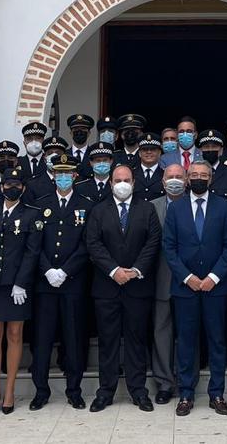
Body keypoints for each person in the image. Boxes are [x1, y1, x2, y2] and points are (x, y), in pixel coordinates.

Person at [85, 164, 162, 413]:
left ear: (134, 182)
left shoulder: (147, 209)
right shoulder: (98, 211)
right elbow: (93, 243)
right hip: (106, 287)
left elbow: (153, 242)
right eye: (117, 180)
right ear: (110, 183)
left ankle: (138, 391)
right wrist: (114, 271)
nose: (122, 184)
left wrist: (136, 270)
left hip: (138, 287)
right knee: (107, 342)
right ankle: (105, 392)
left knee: (136, 341)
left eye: (126, 179)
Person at [163, 159, 227, 416]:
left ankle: (217, 393)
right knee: (186, 342)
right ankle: (185, 394)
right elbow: (169, 249)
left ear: (211, 178)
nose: (198, 178)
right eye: (193, 174)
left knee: (217, 341)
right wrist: (188, 277)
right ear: (186, 178)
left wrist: (213, 277)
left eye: (203, 175)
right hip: (185, 288)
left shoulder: (224, 206)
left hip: (216, 287)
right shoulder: (175, 208)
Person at [29, 156, 93, 410]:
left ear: (75, 176)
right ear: (53, 176)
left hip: (73, 282)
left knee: (74, 338)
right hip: (45, 284)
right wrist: (48, 270)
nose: (63, 178)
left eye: (68, 174)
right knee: (42, 339)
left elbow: (87, 243)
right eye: (59, 174)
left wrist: (65, 271)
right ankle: (41, 391)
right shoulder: (40, 204)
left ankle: (74, 390)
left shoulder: (86, 205)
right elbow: (35, 243)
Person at [0, 167, 42, 415]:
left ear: (24, 188)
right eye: (8, 185)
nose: (12, 188)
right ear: (1, 187)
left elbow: (33, 252)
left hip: (19, 284)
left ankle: (10, 391)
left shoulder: (32, 215)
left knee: (15, 334)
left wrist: (22, 282)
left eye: (17, 184)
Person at [151, 165, 188, 404]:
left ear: (186, 180)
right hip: (161, 279)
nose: (174, 180)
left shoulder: (195, 204)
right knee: (161, 333)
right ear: (162, 181)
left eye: (179, 177)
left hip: (190, 280)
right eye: (170, 177)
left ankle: (187, 382)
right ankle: (164, 383)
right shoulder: (152, 207)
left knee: (188, 333)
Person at [198, 129, 227, 198]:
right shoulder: (194, 173)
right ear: (200, 151)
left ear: (221, 150)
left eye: (214, 147)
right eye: (206, 147)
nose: (210, 150)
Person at [132, 132, 165, 199]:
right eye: (145, 149)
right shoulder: (131, 174)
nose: (149, 152)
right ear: (139, 153)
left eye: (153, 149)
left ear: (159, 153)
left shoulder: (165, 175)